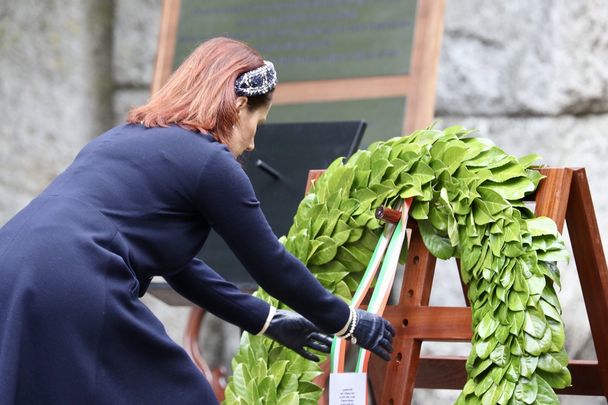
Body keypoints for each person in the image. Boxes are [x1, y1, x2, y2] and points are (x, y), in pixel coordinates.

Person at [0, 37, 395, 404]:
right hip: (75, 275)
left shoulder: (122, 138)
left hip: (12, 267)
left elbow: (179, 268)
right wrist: (347, 321)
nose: (254, 142)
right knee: (186, 396)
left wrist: (266, 320)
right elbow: (270, 264)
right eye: (258, 124)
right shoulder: (210, 161)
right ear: (240, 106)